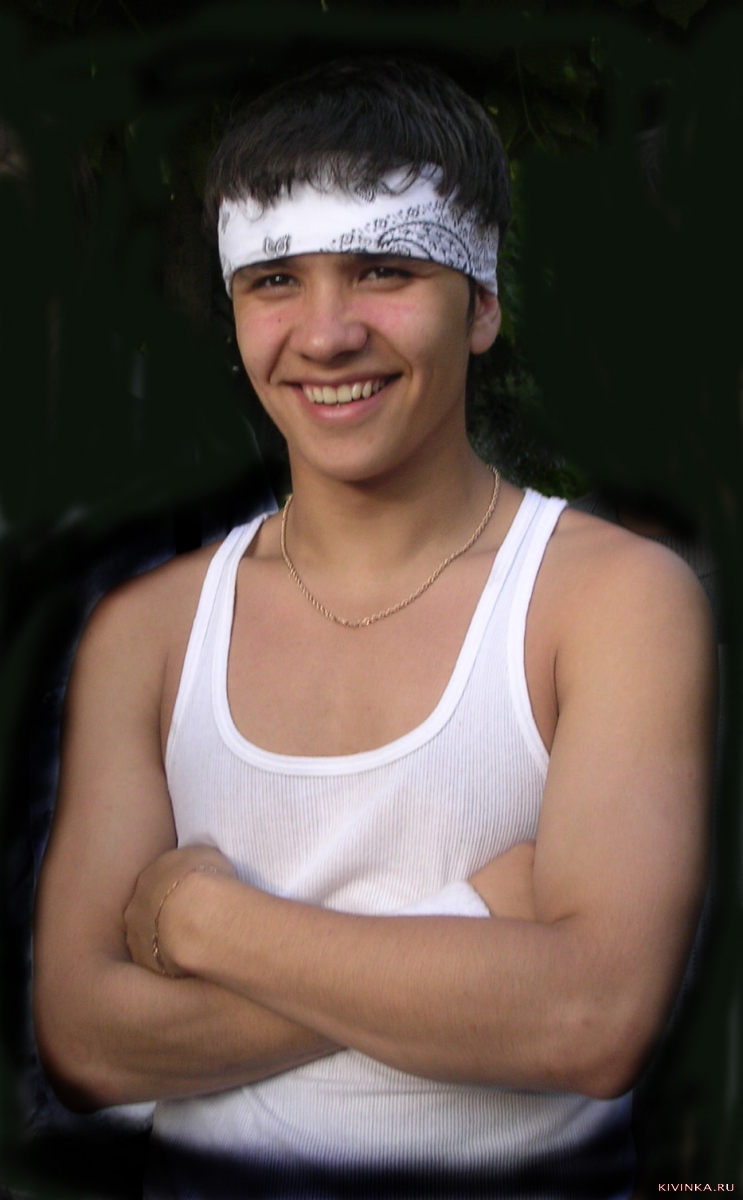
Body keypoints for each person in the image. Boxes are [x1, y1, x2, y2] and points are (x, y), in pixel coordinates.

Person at [32, 58, 716, 1199]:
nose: (326, 333)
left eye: (384, 269)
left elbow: (589, 1020)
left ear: (482, 303)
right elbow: (88, 1041)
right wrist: (471, 929)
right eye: (274, 280)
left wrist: (200, 920)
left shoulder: (609, 601)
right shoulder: (149, 633)